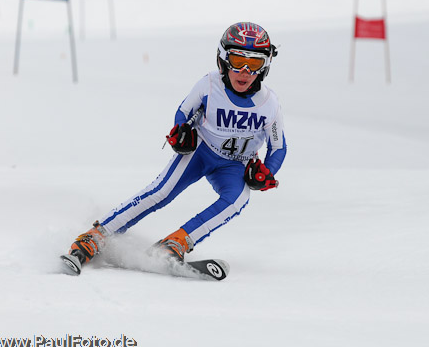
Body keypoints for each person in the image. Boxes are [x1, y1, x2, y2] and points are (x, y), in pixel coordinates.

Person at [62, 22, 287, 275]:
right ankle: (96, 235)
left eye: (254, 64)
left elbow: (278, 146)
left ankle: (176, 242)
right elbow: (183, 112)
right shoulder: (209, 85)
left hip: (235, 164)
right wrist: (182, 132)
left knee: (237, 199)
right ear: (223, 59)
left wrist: (266, 171)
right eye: (237, 60)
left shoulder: (269, 103)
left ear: (265, 66)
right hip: (201, 152)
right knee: (162, 191)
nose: (245, 71)